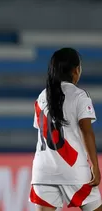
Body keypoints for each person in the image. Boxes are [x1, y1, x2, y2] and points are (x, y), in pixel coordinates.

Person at [30, 48, 102, 211]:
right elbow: (86, 131)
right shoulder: (79, 96)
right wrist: (95, 166)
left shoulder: (42, 96)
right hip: (74, 170)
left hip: (43, 172)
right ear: (76, 70)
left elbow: (41, 131)